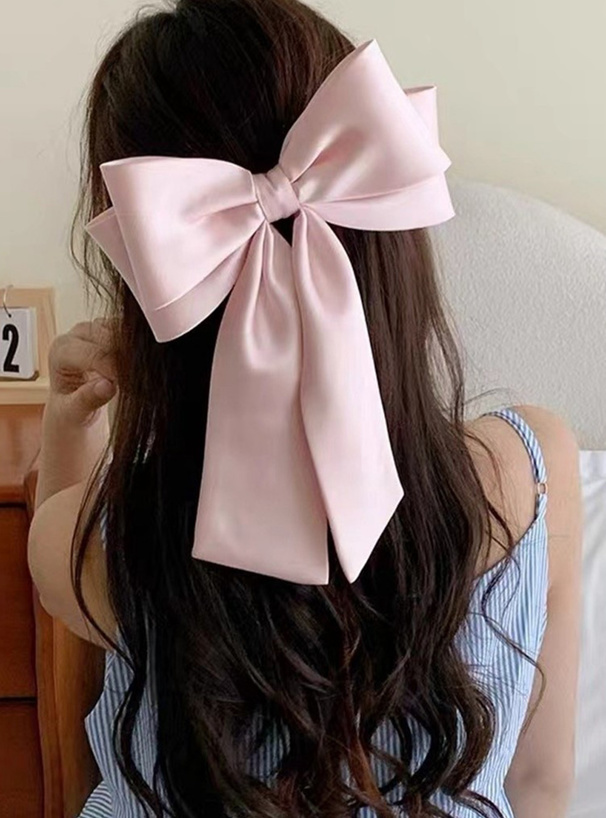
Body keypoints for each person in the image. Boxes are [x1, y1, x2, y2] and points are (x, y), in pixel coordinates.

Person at [28, 0, 583, 816]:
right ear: (391, 241)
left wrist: (70, 418)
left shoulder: (112, 543)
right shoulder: (527, 471)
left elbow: (51, 573)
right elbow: (541, 783)